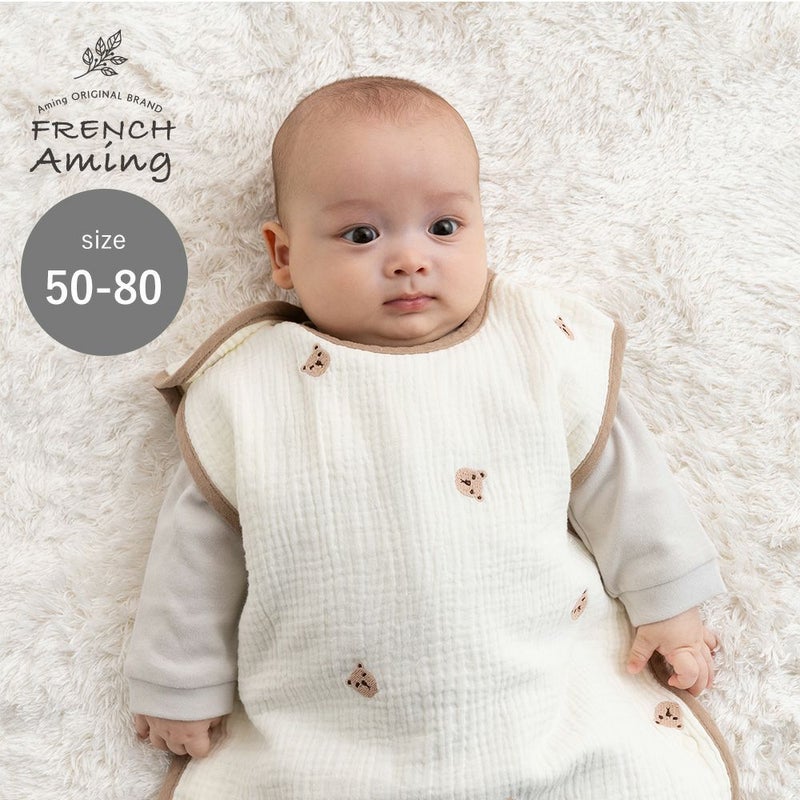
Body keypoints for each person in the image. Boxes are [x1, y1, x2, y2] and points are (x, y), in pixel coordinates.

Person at [126, 76, 738, 799]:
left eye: (444, 228)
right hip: (331, 731)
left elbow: (625, 486)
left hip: (544, 705)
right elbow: (195, 553)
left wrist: (670, 605)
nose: (409, 259)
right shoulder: (250, 390)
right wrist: (179, 680)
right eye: (362, 235)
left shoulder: (537, 346)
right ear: (283, 255)